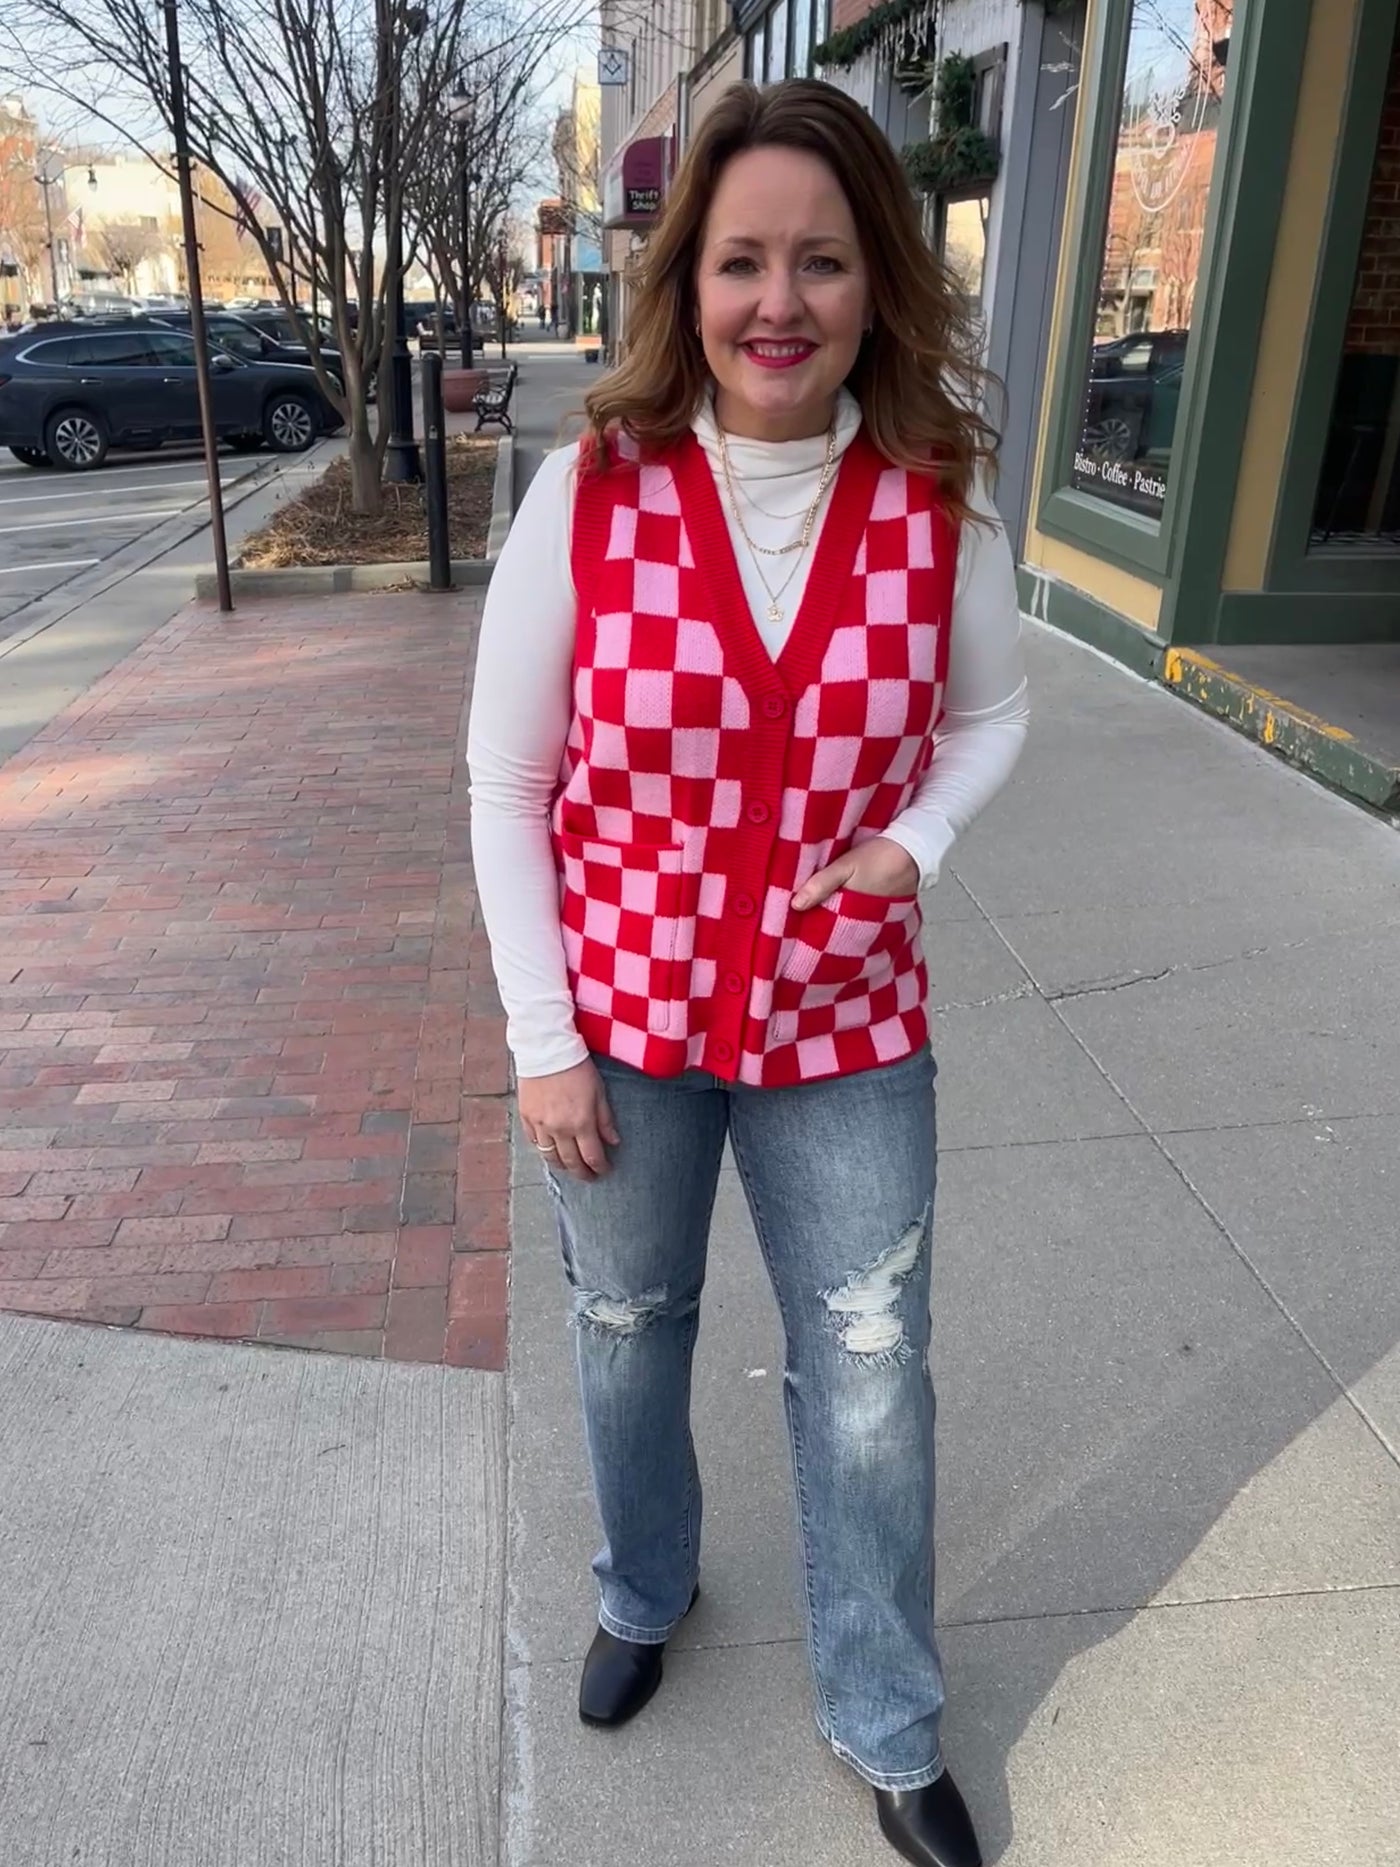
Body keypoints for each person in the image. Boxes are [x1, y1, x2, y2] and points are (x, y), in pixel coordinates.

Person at [468, 78, 1028, 1867]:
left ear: (879, 282)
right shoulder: (590, 496)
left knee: (868, 1365)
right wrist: (544, 1042)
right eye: (738, 263)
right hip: (622, 1028)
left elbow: (995, 718)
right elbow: (509, 783)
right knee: (628, 1333)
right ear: (682, 284)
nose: (777, 303)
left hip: (845, 1026)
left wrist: (914, 846)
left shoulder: (939, 505)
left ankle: (887, 1716)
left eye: (821, 261)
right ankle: (645, 1595)